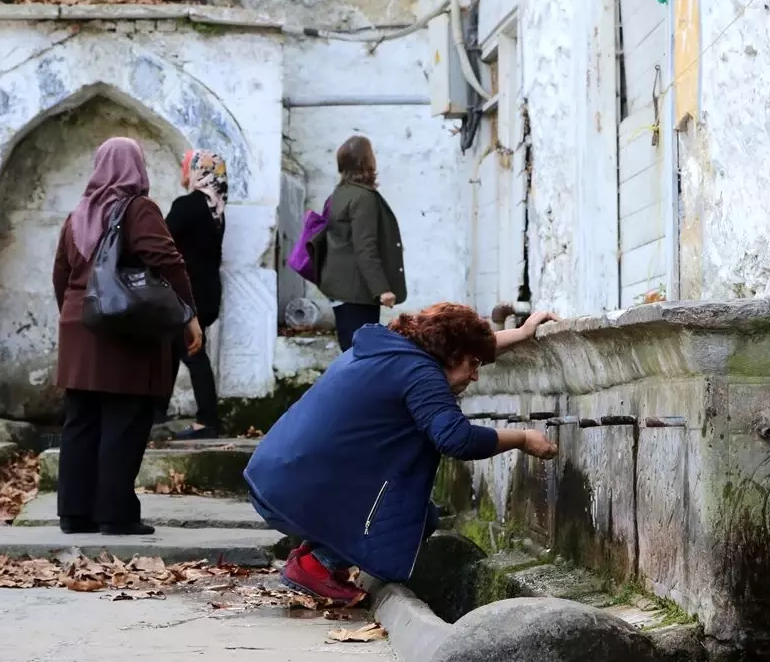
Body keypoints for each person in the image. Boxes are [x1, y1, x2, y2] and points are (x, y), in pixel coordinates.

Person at [244, 303, 559, 604]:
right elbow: (456, 439)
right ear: (449, 354)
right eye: (473, 365)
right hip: (294, 493)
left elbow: (465, 353)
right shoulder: (419, 373)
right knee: (414, 519)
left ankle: (317, 557)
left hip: (278, 481)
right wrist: (522, 438)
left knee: (420, 513)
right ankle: (316, 566)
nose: (475, 376)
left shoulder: (392, 352)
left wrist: (521, 334)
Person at [52, 137, 202, 536]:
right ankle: (116, 515)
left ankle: (74, 513)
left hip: (79, 328)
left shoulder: (78, 213)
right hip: (125, 330)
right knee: (124, 420)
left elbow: (61, 275)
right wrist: (188, 314)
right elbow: (168, 260)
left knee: (80, 422)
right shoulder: (138, 209)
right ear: (137, 167)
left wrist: (76, 320)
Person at [319, 135, 406, 352]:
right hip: (356, 291)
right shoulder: (363, 197)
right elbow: (365, 247)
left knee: (350, 349)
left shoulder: (340, 193)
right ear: (367, 162)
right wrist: (382, 289)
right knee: (361, 352)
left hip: (340, 287)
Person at [164, 150, 227, 440]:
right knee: (172, 351)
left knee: (191, 353)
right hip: (208, 292)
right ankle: (156, 413)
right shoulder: (216, 207)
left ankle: (208, 420)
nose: (183, 172)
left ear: (197, 170)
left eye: (186, 166)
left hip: (188, 293)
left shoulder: (187, 205)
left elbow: (161, 240)